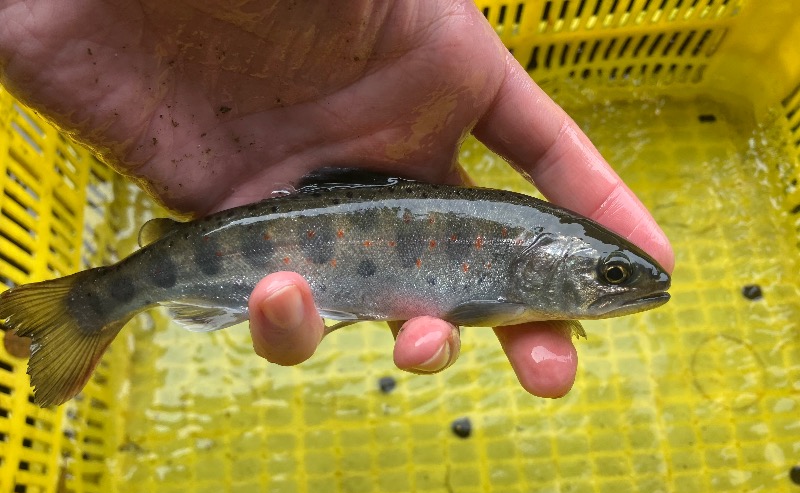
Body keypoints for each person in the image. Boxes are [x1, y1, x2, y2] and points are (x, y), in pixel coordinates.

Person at [0, 0, 673, 397]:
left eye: (613, 276)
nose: (618, 284)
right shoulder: (508, 275)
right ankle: (90, 304)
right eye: (610, 276)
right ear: (545, 259)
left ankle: (98, 300)